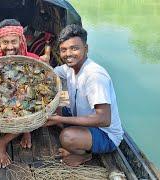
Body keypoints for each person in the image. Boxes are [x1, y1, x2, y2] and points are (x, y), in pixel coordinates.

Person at [45, 24, 124, 166]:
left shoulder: (95, 76)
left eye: (74, 48)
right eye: (63, 50)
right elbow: (50, 73)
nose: (68, 54)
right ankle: (72, 130)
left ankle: (84, 156)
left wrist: (61, 119)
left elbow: (104, 119)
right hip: (81, 115)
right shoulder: (69, 68)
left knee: (67, 137)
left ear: (86, 49)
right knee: (52, 104)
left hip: (105, 133)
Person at [0, 19, 45, 169]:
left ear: (21, 41)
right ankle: (23, 130)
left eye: (13, 42)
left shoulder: (34, 60)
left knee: (37, 102)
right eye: (5, 42)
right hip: (7, 107)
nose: (9, 47)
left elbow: (40, 91)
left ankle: (3, 141)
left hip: (28, 107)